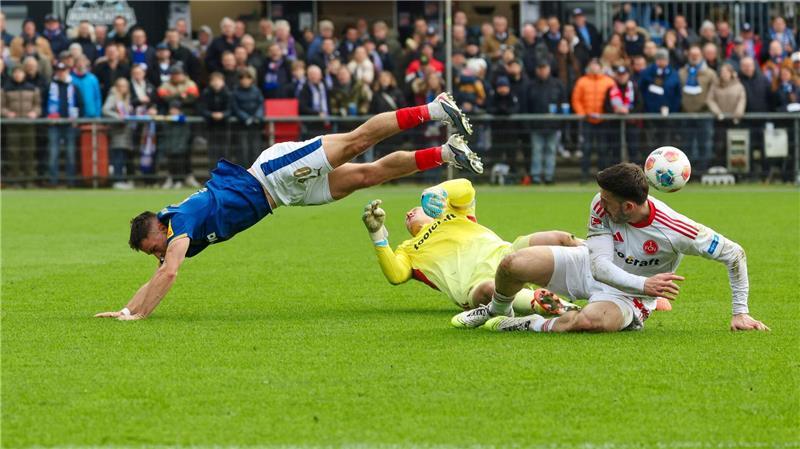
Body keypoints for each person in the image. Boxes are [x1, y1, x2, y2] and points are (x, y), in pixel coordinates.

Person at [94, 93, 482, 320]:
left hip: (273, 174)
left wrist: (140, 316)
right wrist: (126, 311)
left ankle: (433, 109)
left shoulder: (180, 222)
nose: (158, 255)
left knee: (355, 142)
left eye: (154, 247)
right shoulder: (175, 231)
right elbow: (160, 273)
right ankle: (446, 151)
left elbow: (169, 274)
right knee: (368, 175)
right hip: (284, 197)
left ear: (159, 229)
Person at [452, 163, 769, 334]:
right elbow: (599, 266)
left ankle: (520, 324)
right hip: (591, 266)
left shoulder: (678, 230)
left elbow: (734, 253)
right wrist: (648, 283)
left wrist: (740, 312)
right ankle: (496, 311)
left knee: (589, 323)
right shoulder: (602, 203)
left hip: (628, 296)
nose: (598, 204)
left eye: (607, 201)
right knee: (512, 264)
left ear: (629, 206)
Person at [360, 179, 583, 313]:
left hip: (507, 253)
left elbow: (466, 188)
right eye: (406, 218)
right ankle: (553, 306)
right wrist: (376, 232)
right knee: (489, 290)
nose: (408, 214)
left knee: (559, 237)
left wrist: (439, 191)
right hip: (473, 284)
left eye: (413, 209)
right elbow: (395, 275)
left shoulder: (456, 213)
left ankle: (600, 253)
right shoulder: (409, 249)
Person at [156, 63, 200, 189]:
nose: (176, 76)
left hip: (188, 124)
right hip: (170, 124)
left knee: (186, 152)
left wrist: (174, 96)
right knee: (171, 152)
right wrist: (181, 95)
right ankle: (174, 178)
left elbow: (192, 98)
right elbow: (164, 98)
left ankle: (186, 176)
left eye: (178, 74)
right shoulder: (165, 84)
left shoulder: (190, 84)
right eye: (173, 74)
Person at [571, 59, 615, 181]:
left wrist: (606, 114)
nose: (594, 68)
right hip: (587, 120)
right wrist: (583, 114)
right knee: (586, 148)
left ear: (601, 68)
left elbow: (613, 99)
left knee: (603, 149)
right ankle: (584, 175)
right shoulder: (582, 81)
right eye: (592, 66)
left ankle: (603, 177)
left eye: (596, 66)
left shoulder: (609, 82)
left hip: (603, 121)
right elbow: (576, 99)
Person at [679, 45, 718, 173]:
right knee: (686, 145)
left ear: (701, 56)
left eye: (697, 55)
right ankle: (688, 173)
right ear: (688, 56)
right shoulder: (681, 73)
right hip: (686, 114)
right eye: (692, 55)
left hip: (704, 114)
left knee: (705, 144)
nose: (694, 57)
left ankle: (703, 171)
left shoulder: (710, 73)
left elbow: (714, 93)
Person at [527, 61, 566, 184]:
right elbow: (527, 105)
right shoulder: (531, 85)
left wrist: (560, 122)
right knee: (537, 151)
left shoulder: (557, 84)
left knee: (550, 150)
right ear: (537, 70)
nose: (542, 71)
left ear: (549, 69)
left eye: (544, 68)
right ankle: (536, 176)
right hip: (536, 125)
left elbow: (563, 104)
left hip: (553, 125)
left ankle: (549, 176)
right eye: (540, 68)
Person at [1, 65, 41, 181]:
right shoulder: (5, 89)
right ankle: (14, 178)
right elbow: (1, 106)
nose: (18, 75)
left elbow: (38, 105)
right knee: (13, 152)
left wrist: (34, 113)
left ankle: (29, 179)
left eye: (20, 73)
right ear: (12, 74)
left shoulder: (33, 89)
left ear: (24, 74)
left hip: (28, 124)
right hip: (13, 125)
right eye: (16, 73)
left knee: (29, 151)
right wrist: (7, 113)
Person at [46, 62, 83, 186]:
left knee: (70, 154)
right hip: (54, 124)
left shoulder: (74, 86)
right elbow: (44, 103)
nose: (61, 73)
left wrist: (77, 120)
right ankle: (53, 181)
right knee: (53, 153)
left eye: (63, 70)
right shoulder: (50, 86)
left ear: (67, 71)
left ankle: (71, 181)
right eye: (58, 70)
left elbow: (80, 104)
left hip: (70, 125)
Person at [103, 77, 135, 189]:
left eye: (125, 86)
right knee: (118, 156)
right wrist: (118, 117)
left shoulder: (126, 98)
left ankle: (122, 179)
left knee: (123, 156)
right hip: (117, 131)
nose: (123, 88)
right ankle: (117, 179)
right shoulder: (113, 97)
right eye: (121, 86)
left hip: (126, 132)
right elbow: (105, 109)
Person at [199, 71, 233, 168]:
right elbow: (202, 108)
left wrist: (223, 115)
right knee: (212, 153)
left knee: (225, 152)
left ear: (223, 82)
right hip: (211, 126)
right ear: (210, 82)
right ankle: (213, 175)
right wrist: (211, 115)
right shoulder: (206, 93)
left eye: (218, 80)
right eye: (214, 80)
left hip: (224, 126)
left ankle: (225, 176)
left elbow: (231, 109)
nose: (216, 83)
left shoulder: (228, 93)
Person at [231, 67, 264, 164]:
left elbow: (261, 104)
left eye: (248, 78)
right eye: (242, 78)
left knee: (256, 149)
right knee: (243, 150)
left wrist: (257, 116)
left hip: (255, 125)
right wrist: (246, 118)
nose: (245, 81)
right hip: (242, 125)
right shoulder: (235, 92)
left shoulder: (257, 91)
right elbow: (235, 108)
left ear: (251, 79)